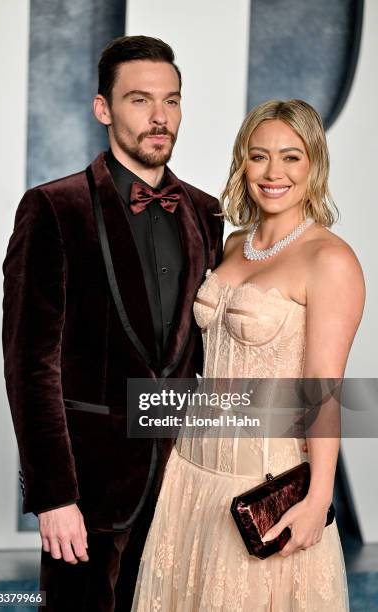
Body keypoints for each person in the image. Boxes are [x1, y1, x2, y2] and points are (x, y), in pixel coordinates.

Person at [2, 35, 223, 611]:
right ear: (103, 108)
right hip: (89, 496)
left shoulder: (206, 212)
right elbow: (31, 366)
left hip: (182, 486)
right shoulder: (54, 207)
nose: (160, 117)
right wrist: (53, 496)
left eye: (172, 101)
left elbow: (201, 357)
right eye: (139, 100)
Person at [132, 99, 365, 611]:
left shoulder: (330, 260)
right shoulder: (234, 244)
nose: (273, 172)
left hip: (261, 481)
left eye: (291, 157)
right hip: (190, 474)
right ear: (243, 162)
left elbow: (323, 391)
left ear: (315, 164)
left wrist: (319, 497)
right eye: (258, 156)